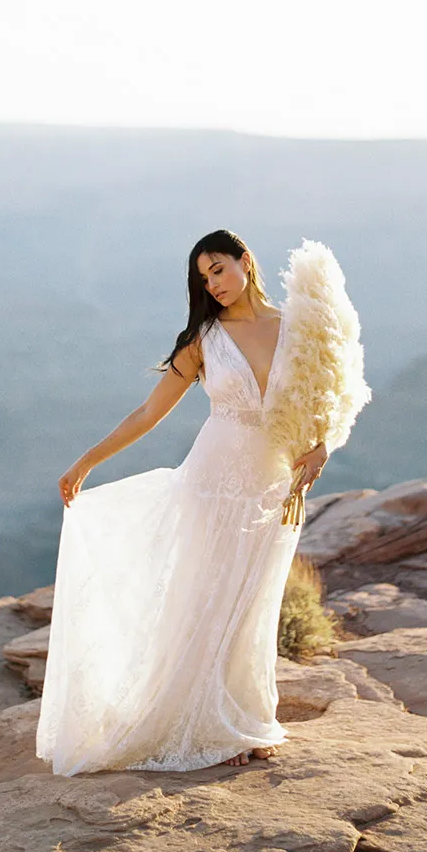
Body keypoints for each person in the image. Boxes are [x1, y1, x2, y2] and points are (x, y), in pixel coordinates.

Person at [35, 228, 331, 776]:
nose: (212, 284)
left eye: (217, 269)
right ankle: (213, 727)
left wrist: (322, 449)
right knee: (209, 597)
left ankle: (243, 715)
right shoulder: (204, 340)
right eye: (202, 278)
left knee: (253, 604)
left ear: (245, 261)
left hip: (275, 488)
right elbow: (148, 415)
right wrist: (86, 463)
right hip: (213, 482)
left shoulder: (300, 326)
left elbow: (329, 399)